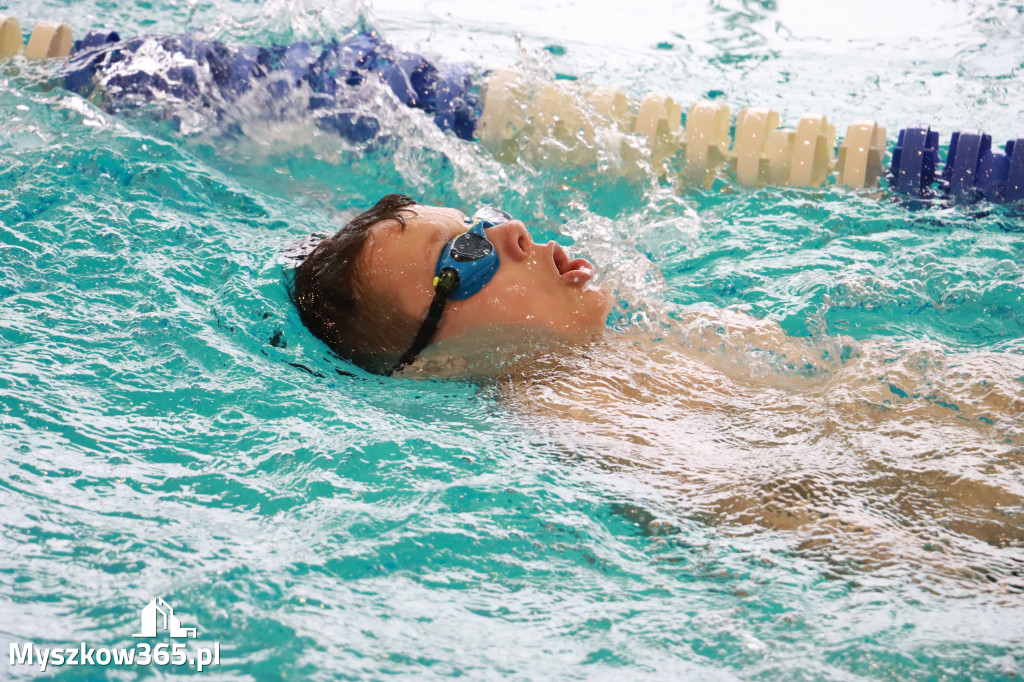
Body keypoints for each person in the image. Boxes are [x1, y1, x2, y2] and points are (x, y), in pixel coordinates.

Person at [291, 193, 612, 377]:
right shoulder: (573, 409)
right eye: (462, 254)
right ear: (433, 366)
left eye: (479, 222)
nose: (514, 229)